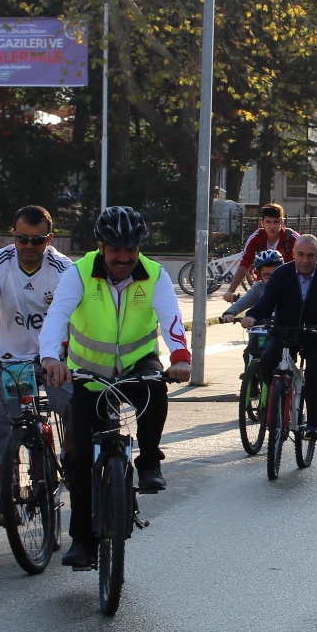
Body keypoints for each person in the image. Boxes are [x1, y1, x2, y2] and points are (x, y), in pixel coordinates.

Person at [40, 206, 192, 569]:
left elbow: (170, 316)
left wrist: (180, 356)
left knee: (156, 388)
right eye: (114, 250)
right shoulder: (78, 273)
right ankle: (81, 540)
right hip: (87, 371)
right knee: (78, 457)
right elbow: (57, 316)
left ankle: (150, 462)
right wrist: (50, 358)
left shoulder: (154, 274)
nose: (123, 258)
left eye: (130, 250)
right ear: (101, 247)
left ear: (139, 247)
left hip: (138, 360)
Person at [0, 206, 75, 528]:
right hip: (12, 361)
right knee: (0, 426)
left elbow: (78, 319)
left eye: (37, 241)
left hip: (55, 359)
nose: (28, 247)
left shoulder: (64, 269)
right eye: (22, 238)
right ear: (14, 235)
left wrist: (71, 355)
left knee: (76, 409)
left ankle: (73, 461)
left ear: (49, 240)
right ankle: (5, 494)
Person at [242, 234, 317, 438]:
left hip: (316, 334)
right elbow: (267, 301)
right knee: (267, 362)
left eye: (311, 255)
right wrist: (252, 316)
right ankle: (278, 396)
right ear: (293, 254)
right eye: (301, 255)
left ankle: (313, 421)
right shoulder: (281, 273)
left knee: (316, 369)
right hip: (285, 331)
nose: (305, 260)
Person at [226, 203, 297, 299]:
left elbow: (306, 262)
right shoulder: (256, 237)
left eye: (276, 222)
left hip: (289, 289)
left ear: (282, 223)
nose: (272, 226)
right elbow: (244, 263)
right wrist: (230, 291)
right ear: (262, 223)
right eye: (268, 222)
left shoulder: (293, 238)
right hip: (264, 289)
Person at [220, 248, 283, 320]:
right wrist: (230, 312)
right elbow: (245, 300)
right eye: (266, 275)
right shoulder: (259, 287)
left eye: (275, 274)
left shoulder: (290, 285)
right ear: (260, 275)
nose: (272, 278)